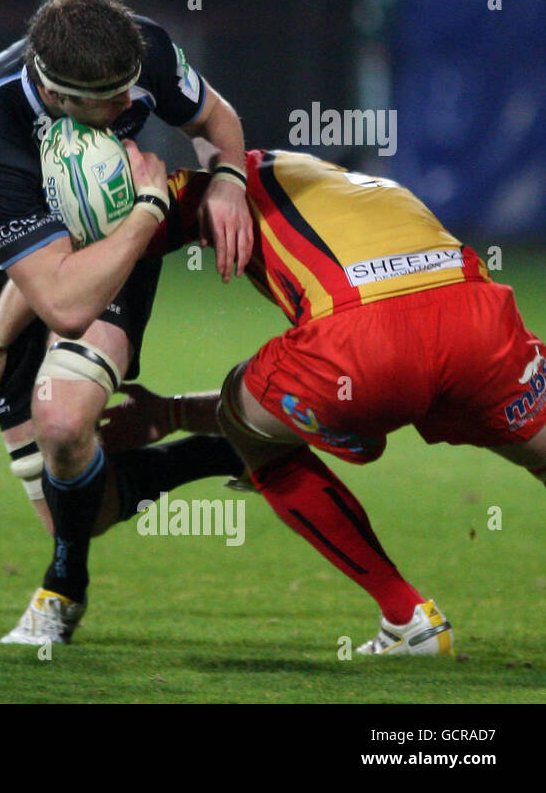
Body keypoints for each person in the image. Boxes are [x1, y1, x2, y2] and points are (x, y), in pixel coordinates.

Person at [0, 0, 253, 645]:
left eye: (130, 90)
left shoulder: (141, 50)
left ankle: (62, 590)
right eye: (108, 102)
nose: (129, 107)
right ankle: (219, 452)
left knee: (62, 420)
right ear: (55, 96)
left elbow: (216, 120)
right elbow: (57, 294)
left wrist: (226, 180)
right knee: (85, 511)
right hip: (19, 268)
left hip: (119, 234)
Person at [205, 149, 546, 654]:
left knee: (244, 419)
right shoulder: (376, 188)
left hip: (360, 352)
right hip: (479, 320)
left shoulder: (228, 184)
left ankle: (408, 617)